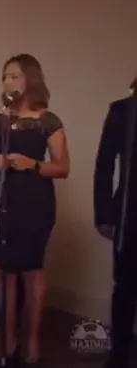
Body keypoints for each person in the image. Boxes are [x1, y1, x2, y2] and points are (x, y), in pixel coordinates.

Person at [0, 54, 70, 367]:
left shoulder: (48, 121)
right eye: (5, 76)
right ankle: (9, 342)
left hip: (35, 202)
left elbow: (62, 167)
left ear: (31, 79)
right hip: (2, 201)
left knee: (31, 268)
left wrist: (33, 164)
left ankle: (32, 340)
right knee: (5, 271)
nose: (8, 82)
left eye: (14, 76)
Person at [93, 77, 137, 368]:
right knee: (125, 287)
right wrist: (104, 215)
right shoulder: (123, 112)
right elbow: (105, 166)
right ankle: (119, 355)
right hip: (129, 213)